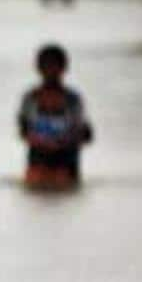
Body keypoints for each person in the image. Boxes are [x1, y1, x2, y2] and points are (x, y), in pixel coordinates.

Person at [18, 44, 92, 189]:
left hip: (66, 163)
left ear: (64, 68)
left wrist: (63, 143)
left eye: (54, 67)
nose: (51, 71)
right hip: (38, 162)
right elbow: (23, 130)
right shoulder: (31, 98)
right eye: (46, 67)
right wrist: (40, 142)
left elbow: (86, 133)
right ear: (38, 69)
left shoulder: (73, 99)